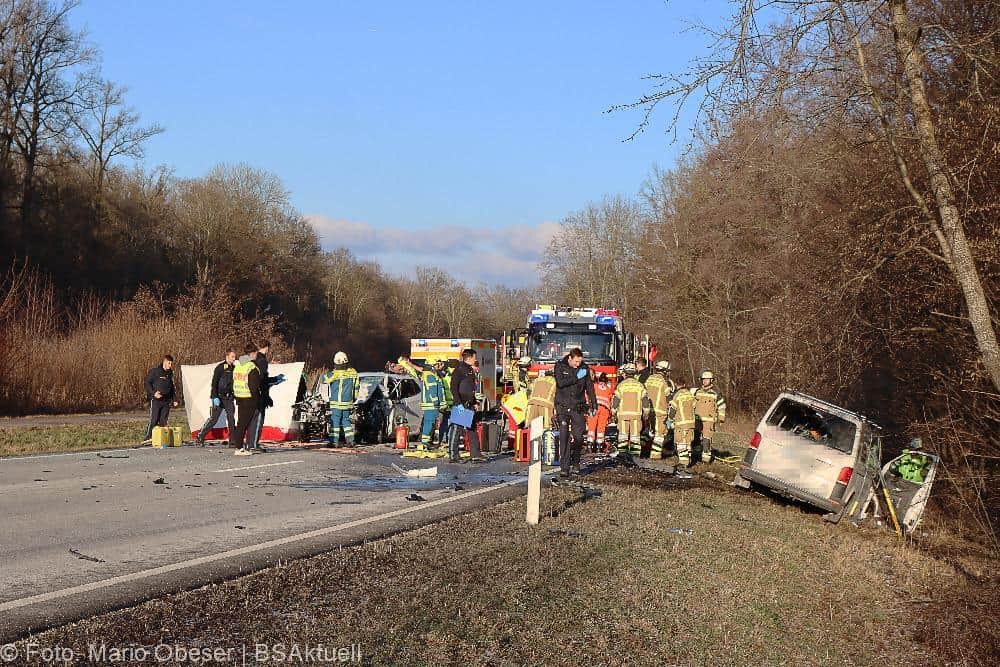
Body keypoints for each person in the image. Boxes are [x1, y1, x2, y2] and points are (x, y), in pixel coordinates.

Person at [554, 348, 597, 477]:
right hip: (563, 406)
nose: (578, 364)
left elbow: (589, 388)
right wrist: (575, 377)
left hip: (578, 406)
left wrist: (594, 404)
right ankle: (564, 467)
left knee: (578, 437)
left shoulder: (584, 369)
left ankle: (576, 461)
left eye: (580, 362)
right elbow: (561, 383)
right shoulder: (560, 366)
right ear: (570, 358)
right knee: (564, 436)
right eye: (576, 362)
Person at [247, 340, 286, 453]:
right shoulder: (262, 361)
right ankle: (253, 444)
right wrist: (275, 380)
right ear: (267, 348)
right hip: (259, 395)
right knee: (258, 419)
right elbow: (262, 380)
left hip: (249, 394)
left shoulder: (250, 359)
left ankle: (249, 443)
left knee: (250, 420)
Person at [196, 348, 237, 446]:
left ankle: (232, 440)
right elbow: (214, 383)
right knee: (214, 418)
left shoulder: (234, 368)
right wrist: (214, 396)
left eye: (235, 357)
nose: (234, 359)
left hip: (229, 397)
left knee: (231, 418)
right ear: (227, 356)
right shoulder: (220, 367)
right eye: (232, 357)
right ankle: (200, 435)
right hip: (219, 396)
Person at [448, 348, 482, 462]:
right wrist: (458, 403)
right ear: (469, 357)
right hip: (461, 403)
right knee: (457, 429)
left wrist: (474, 402)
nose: (475, 360)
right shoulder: (460, 370)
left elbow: (470, 388)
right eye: (474, 357)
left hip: (469, 403)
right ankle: (453, 455)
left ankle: (475, 453)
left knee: (472, 428)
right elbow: (453, 387)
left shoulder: (470, 370)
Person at [321, 351, 359, 446]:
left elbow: (324, 380)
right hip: (348, 402)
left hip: (336, 403)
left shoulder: (335, 374)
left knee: (335, 421)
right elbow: (357, 387)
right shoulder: (353, 373)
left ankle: (334, 442)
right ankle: (351, 441)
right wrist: (354, 398)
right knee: (346, 420)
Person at [231, 344, 262, 456]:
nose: (257, 355)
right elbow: (254, 386)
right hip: (249, 399)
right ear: (252, 353)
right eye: (256, 353)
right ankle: (239, 448)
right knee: (243, 424)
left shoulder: (238, 365)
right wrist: (257, 398)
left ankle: (240, 446)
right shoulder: (251, 367)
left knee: (241, 423)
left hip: (239, 397)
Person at [613, 363, 649, 459]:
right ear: (635, 373)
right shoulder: (640, 386)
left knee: (623, 436)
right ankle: (635, 456)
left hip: (623, 415)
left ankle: (622, 455)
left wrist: (613, 412)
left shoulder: (621, 385)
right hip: (636, 416)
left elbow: (616, 400)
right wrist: (646, 413)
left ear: (625, 373)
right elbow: (645, 401)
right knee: (635, 437)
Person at [693, 370, 727, 464]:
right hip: (697, 420)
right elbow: (692, 404)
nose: (704, 381)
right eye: (703, 379)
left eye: (707, 379)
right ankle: (694, 457)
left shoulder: (715, 394)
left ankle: (705, 460)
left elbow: (722, 406)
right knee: (695, 438)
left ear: (711, 380)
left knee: (706, 440)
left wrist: (721, 419)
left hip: (708, 422)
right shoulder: (697, 392)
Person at [143, 354, 179, 443]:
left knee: (163, 421)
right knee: (154, 419)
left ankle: (161, 439)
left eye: (171, 364)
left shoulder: (170, 373)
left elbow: (172, 387)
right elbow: (147, 383)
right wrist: (153, 393)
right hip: (156, 400)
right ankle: (148, 438)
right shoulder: (155, 371)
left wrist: (174, 399)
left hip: (166, 401)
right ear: (165, 362)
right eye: (169, 363)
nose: (170, 365)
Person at [644, 360, 674, 459]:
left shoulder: (649, 379)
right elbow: (670, 399)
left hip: (649, 411)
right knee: (660, 434)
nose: (669, 373)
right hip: (660, 412)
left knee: (649, 431)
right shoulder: (665, 382)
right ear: (665, 371)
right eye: (668, 371)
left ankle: (644, 451)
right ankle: (655, 455)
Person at [417, 358, 444, 450]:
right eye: (437, 364)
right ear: (432, 365)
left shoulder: (431, 374)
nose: (438, 366)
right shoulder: (430, 375)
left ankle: (426, 442)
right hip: (431, 403)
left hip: (431, 403)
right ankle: (424, 442)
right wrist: (436, 401)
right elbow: (432, 389)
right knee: (429, 422)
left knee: (430, 422)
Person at [670, 381, 697, 468]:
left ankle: (684, 464)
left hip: (681, 424)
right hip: (691, 424)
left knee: (681, 444)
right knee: (688, 444)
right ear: (684, 385)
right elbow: (695, 407)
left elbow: (672, 410)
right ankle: (689, 461)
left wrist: (669, 421)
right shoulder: (690, 395)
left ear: (676, 385)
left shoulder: (677, 395)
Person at [586, 371, 614, 452]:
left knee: (591, 427)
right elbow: (611, 400)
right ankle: (599, 446)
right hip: (605, 409)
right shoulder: (608, 388)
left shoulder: (594, 386)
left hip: (594, 407)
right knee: (601, 428)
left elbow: (588, 396)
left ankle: (590, 445)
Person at [433, 357, 454, 447]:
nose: (440, 365)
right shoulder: (436, 374)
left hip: (452, 403)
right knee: (443, 424)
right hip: (443, 404)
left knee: (452, 423)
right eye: (439, 363)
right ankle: (444, 441)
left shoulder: (451, 373)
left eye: (442, 363)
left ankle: (450, 442)